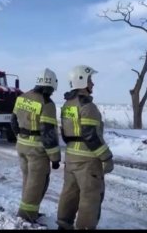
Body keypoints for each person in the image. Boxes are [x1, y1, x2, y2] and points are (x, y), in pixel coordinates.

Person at [57, 65, 114, 230]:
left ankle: (63, 224)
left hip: (71, 157)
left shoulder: (68, 105)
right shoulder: (88, 106)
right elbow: (91, 136)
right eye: (91, 80)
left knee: (69, 193)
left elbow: (65, 134)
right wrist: (106, 157)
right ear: (82, 80)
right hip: (88, 160)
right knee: (90, 197)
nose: (93, 84)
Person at [10, 68, 61, 224]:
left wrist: (20, 136)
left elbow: (13, 121)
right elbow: (48, 133)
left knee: (27, 180)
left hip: (22, 146)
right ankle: (27, 217)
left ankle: (29, 212)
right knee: (37, 184)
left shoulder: (22, 97)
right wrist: (55, 158)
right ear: (51, 85)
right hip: (37, 150)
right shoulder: (47, 103)